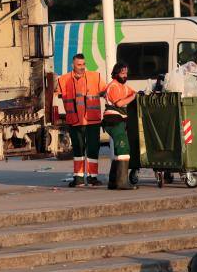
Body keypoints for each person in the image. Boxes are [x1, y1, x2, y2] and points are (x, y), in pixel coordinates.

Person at [56, 53, 106, 187]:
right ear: (73, 65)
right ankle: (78, 178)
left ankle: (92, 178)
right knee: (78, 150)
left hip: (92, 120)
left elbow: (106, 91)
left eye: (83, 64)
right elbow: (57, 94)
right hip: (75, 121)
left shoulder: (95, 77)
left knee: (93, 149)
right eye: (79, 65)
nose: (82, 67)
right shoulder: (64, 80)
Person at [103, 62, 138, 190]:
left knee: (119, 150)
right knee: (124, 149)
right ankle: (122, 182)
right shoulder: (113, 86)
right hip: (114, 121)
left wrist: (138, 93)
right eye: (122, 73)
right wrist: (133, 97)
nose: (125, 75)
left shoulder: (123, 86)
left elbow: (133, 92)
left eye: (126, 73)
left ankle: (113, 182)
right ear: (116, 73)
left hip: (119, 121)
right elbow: (119, 103)